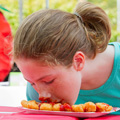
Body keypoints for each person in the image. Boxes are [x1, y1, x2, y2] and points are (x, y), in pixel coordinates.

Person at [13, 1, 120, 114]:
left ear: (78, 61)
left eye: (49, 81)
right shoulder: (38, 81)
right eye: (31, 83)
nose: (41, 95)